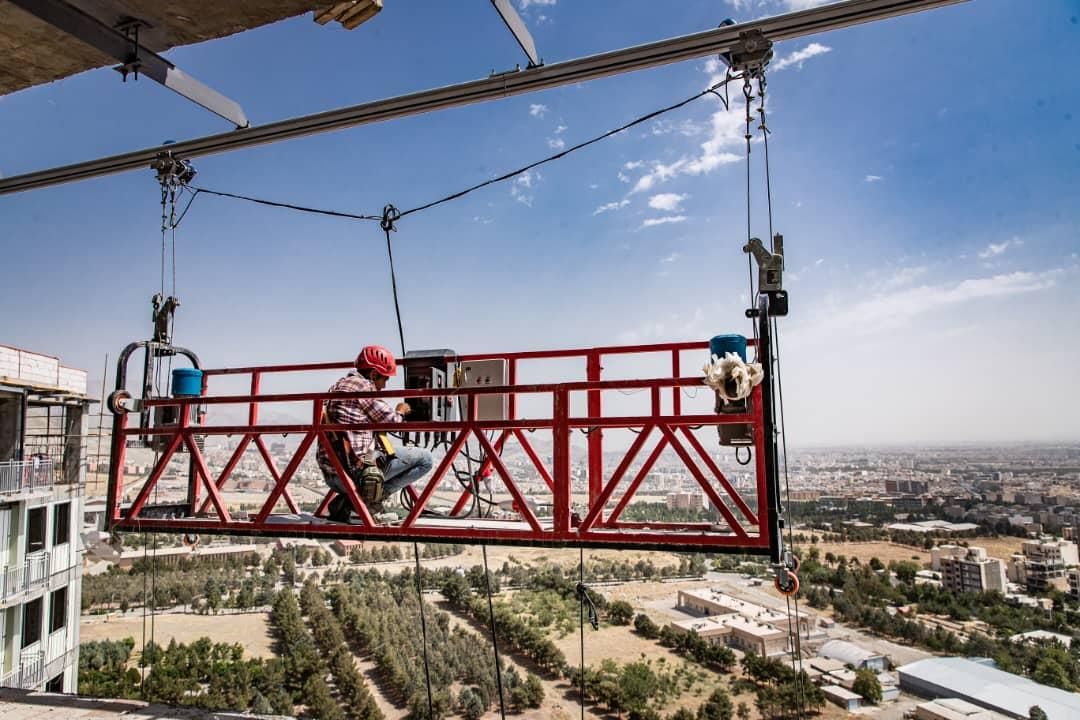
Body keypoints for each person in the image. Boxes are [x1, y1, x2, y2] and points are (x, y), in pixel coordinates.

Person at [317, 344, 433, 521]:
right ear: (373, 374)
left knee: (381, 452)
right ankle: (367, 503)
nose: (384, 386)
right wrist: (401, 410)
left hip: (333, 476)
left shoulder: (337, 387)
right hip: (357, 474)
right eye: (384, 379)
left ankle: (351, 503)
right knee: (426, 459)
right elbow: (393, 422)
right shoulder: (364, 388)